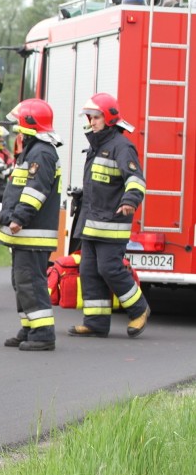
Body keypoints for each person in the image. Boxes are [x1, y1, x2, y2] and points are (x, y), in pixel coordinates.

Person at [69, 93, 150, 339]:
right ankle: (96, 322)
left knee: (110, 269)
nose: (91, 122)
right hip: (92, 223)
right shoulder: (97, 145)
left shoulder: (121, 146)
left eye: (95, 117)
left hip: (112, 223)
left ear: (109, 118)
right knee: (90, 270)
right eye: (89, 117)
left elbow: (135, 179)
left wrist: (129, 201)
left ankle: (139, 309)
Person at [0, 99, 61, 352]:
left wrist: (18, 217)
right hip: (27, 234)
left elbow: (35, 191)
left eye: (20, 126)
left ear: (30, 124)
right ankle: (31, 326)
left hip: (33, 232)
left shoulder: (41, 152)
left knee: (31, 281)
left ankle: (43, 333)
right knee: (21, 281)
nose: (17, 131)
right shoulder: (33, 150)